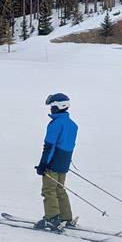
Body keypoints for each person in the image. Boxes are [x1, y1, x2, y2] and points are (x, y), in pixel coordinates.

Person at [33, 93, 78, 231]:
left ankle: (52, 218)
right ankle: (66, 217)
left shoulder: (56, 124)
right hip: (64, 162)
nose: (50, 109)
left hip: (53, 162)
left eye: (52, 106)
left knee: (49, 190)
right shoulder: (72, 125)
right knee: (59, 189)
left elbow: (49, 146)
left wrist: (43, 164)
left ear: (59, 106)